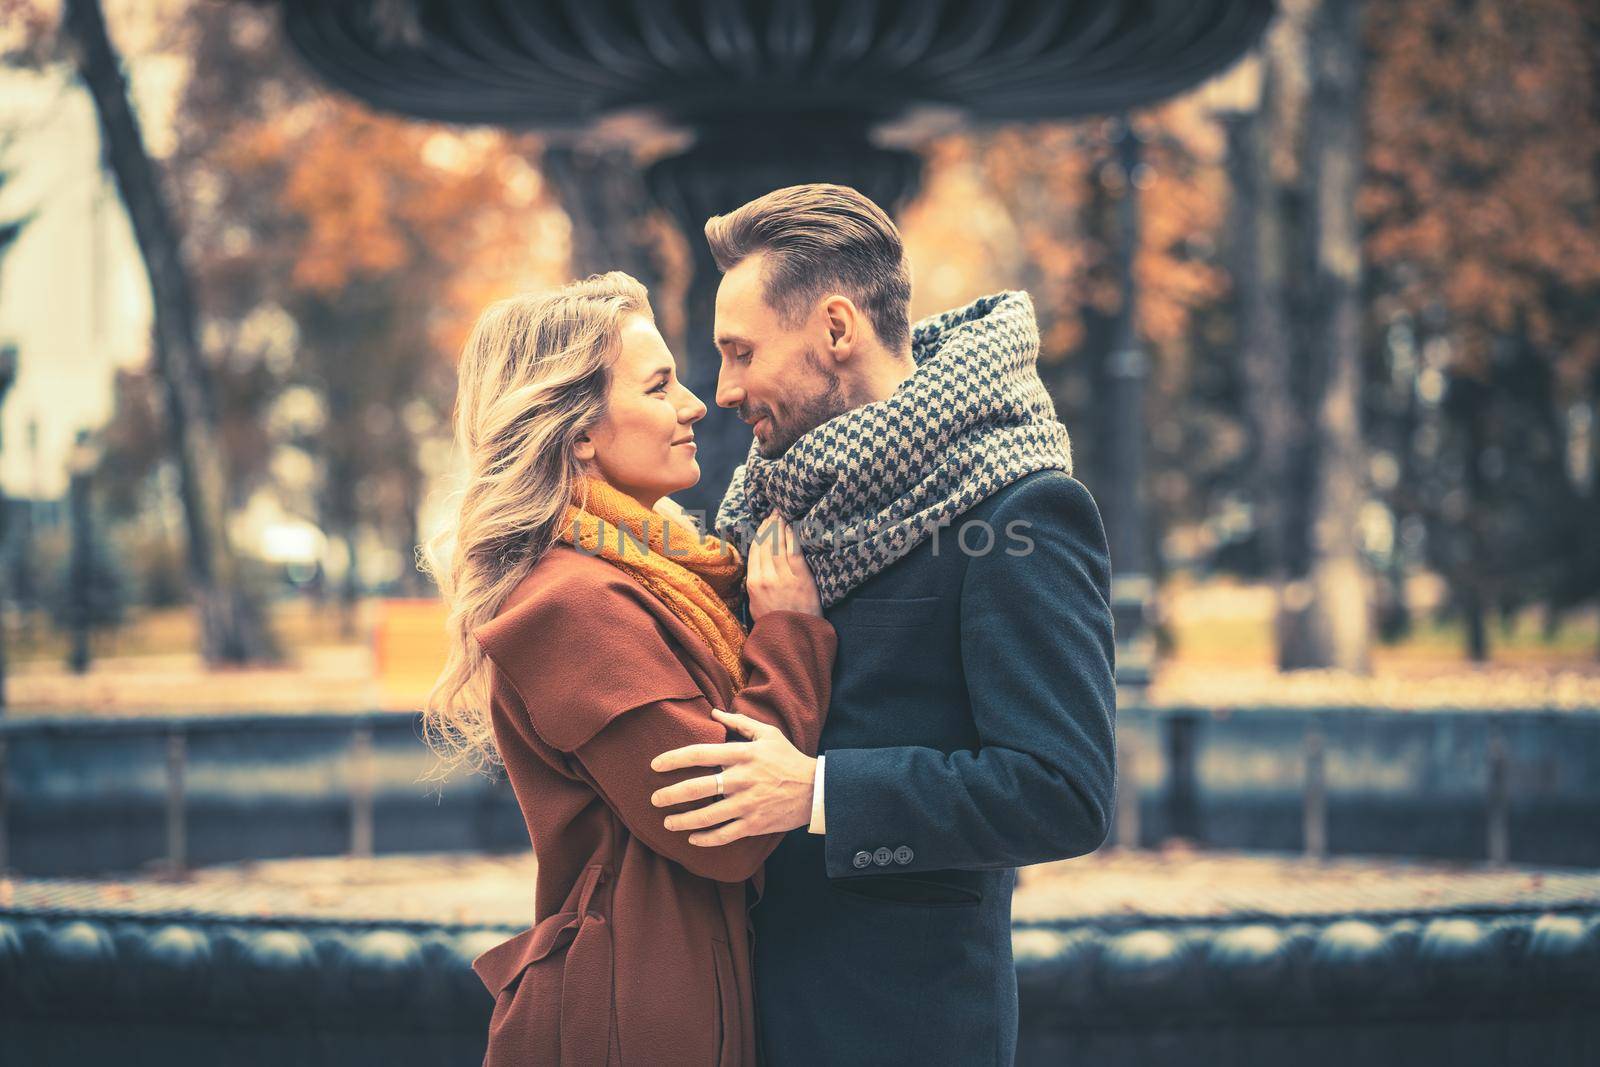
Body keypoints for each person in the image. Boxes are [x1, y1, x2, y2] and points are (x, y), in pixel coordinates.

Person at [646, 184, 1119, 1065]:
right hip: (748, 1011)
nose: (724, 390)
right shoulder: (768, 507)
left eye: (741, 353)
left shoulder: (1020, 509)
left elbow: (1065, 793)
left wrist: (820, 794)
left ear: (835, 328)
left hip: (900, 1027)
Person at [420, 271, 838, 1065]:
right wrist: (790, 631)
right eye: (659, 386)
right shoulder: (567, 602)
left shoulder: (650, 569)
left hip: (667, 992)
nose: (693, 405)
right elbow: (722, 824)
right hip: (629, 1023)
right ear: (579, 434)